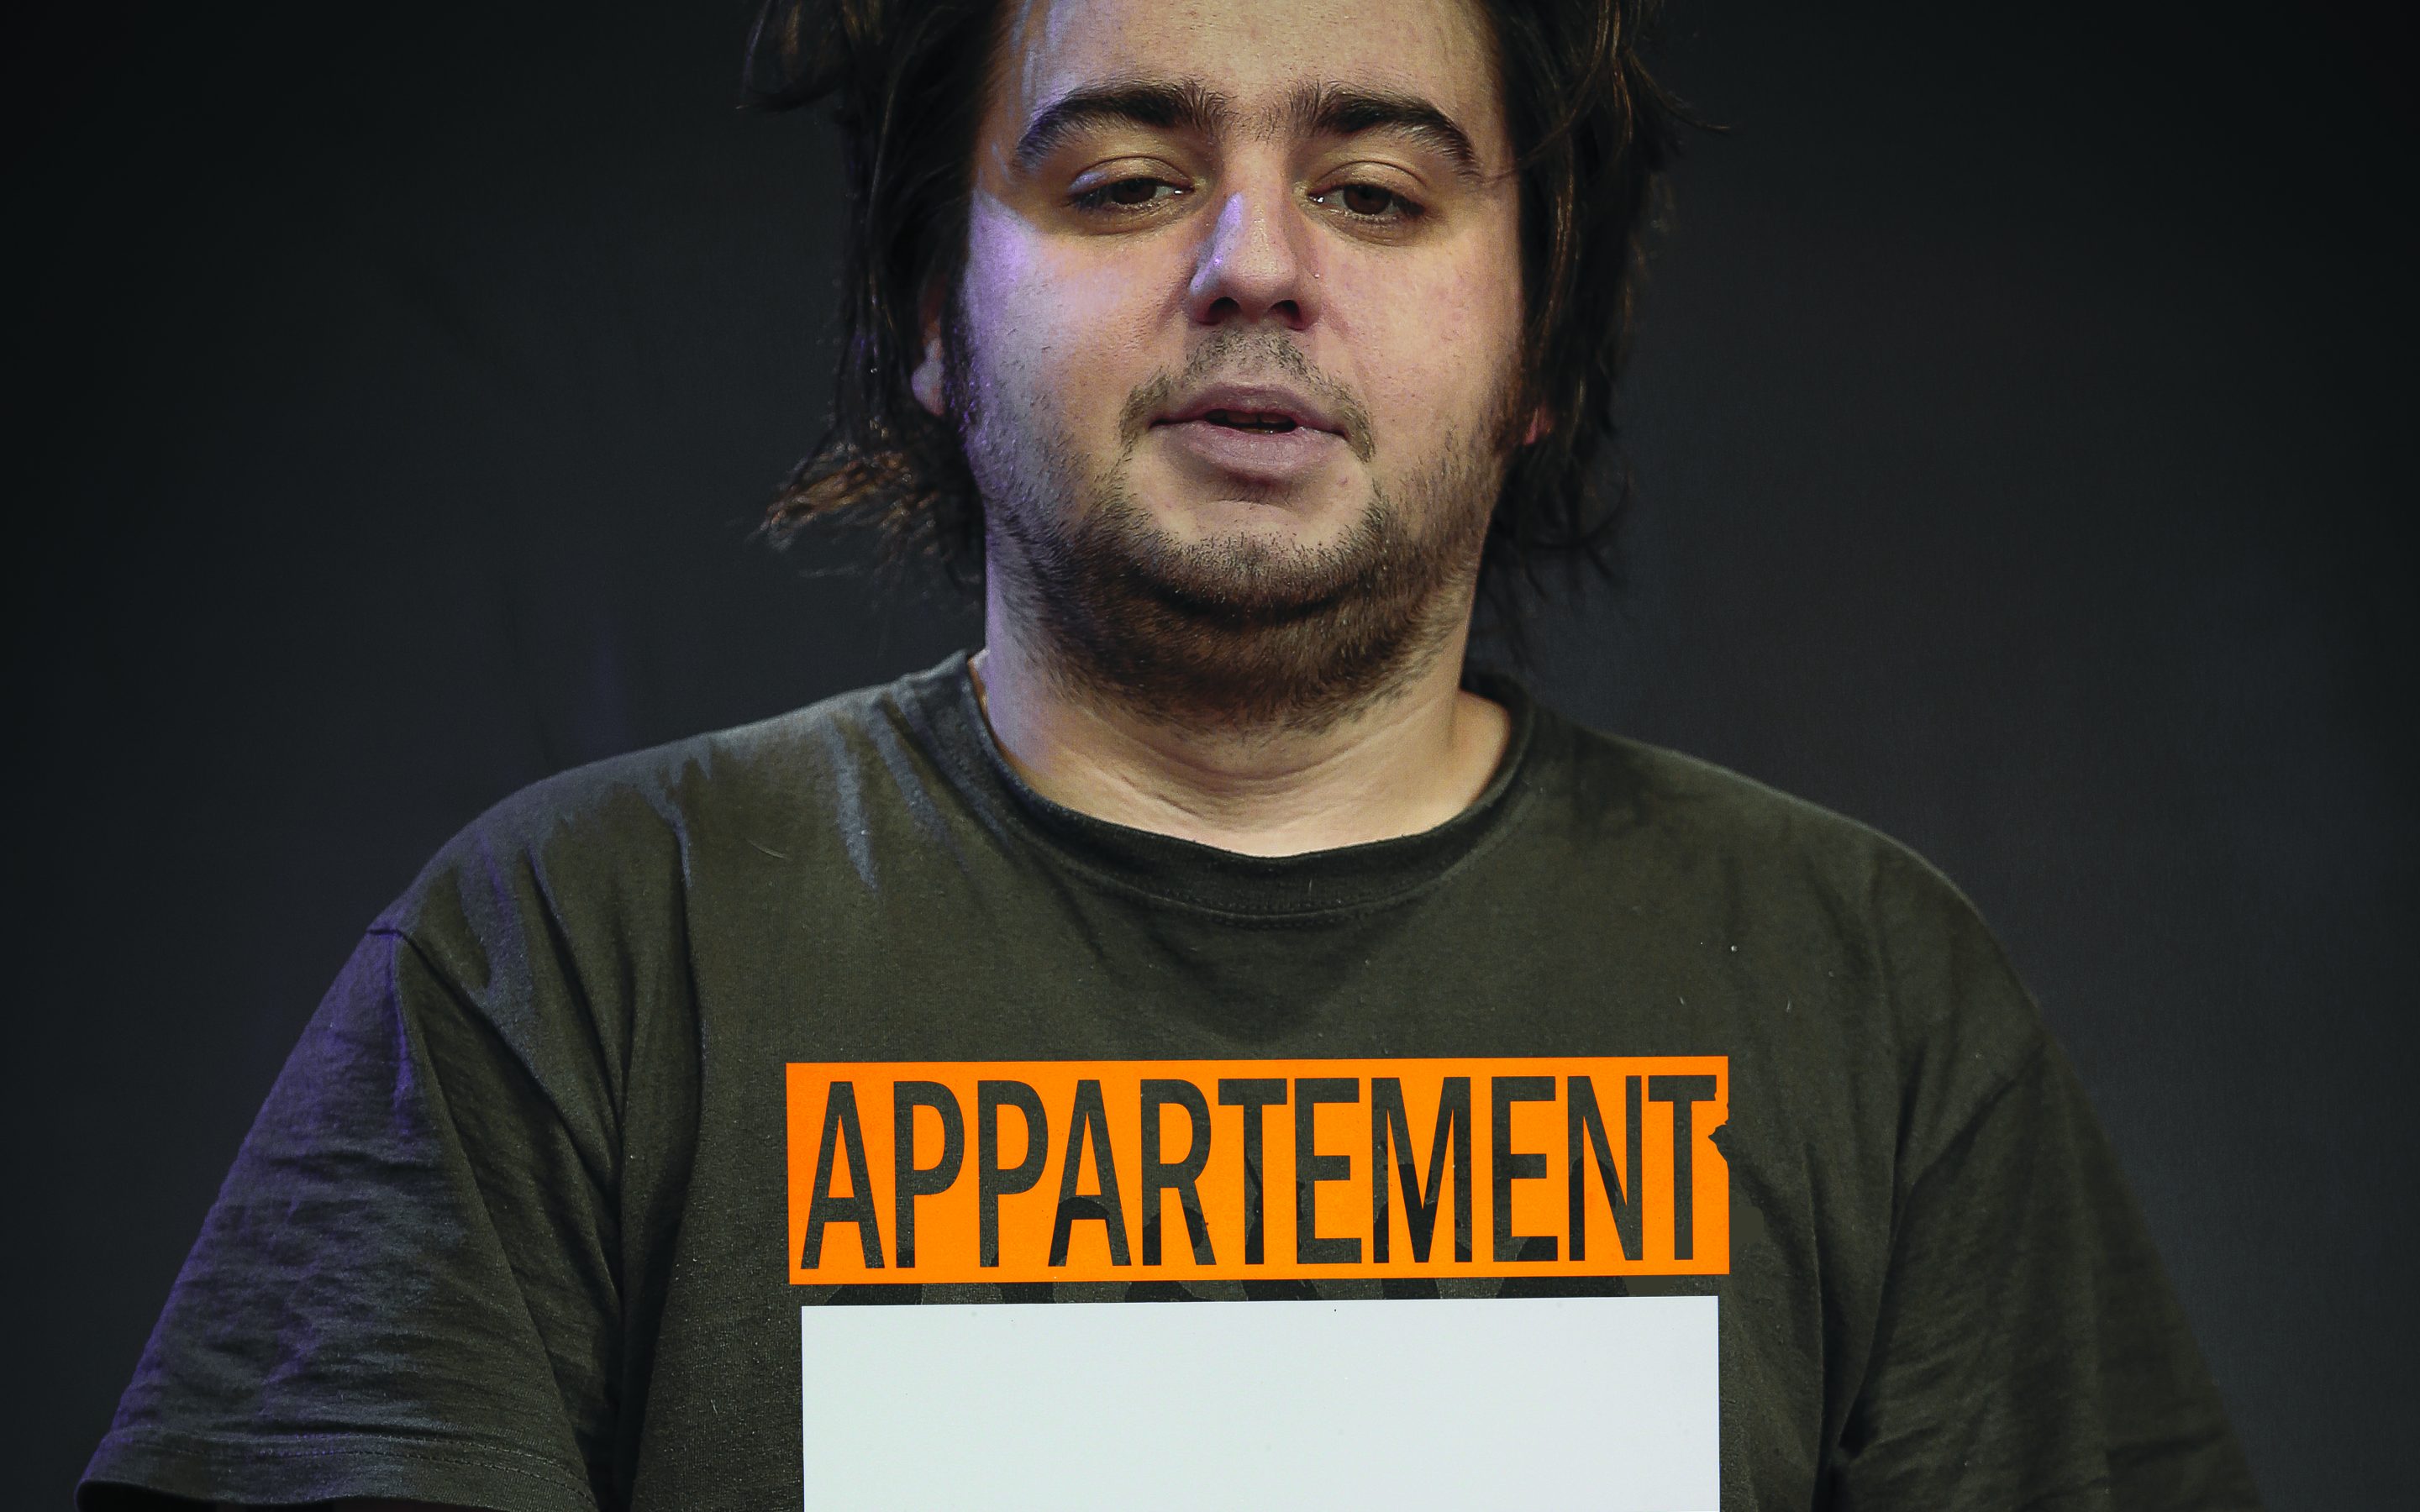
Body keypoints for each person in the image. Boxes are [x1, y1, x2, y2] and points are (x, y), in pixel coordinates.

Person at [81, 0, 2261, 1506]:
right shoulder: (568, 959)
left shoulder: (1869, 996)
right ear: (930, 313)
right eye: (1126, 179)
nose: (1255, 269)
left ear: (1539, 340)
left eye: (1379, 192)